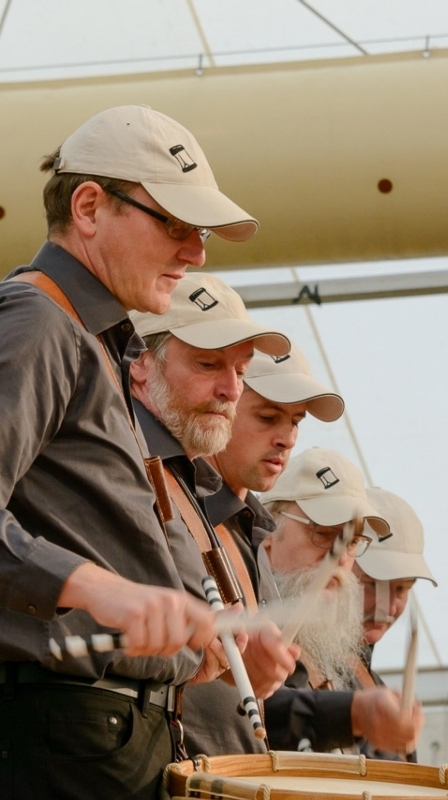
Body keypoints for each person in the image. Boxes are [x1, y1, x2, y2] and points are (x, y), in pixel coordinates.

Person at [0, 105, 256, 799]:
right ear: (88, 207)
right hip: (57, 736)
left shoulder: (90, 341)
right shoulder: (35, 320)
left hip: (88, 734)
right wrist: (100, 589)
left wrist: (180, 648)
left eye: (200, 232)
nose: (196, 254)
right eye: (175, 224)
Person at [127, 273, 299, 756]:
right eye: (208, 364)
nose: (231, 389)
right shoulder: (116, 460)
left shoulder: (186, 480)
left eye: (241, 371)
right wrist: (199, 651)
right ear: (140, 362)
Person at [183, 343, 346, 755]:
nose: (287, 439)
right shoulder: (177, 516)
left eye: (296, 422)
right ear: (225, 404)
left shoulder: (251, 533)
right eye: (268, 417)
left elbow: (264, 703)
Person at [259, 448, 424, 756]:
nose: (339, 559)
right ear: (268, 527)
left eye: (353, 541)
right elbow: (248, 717)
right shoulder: (236, 620)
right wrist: (353, 713)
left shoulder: (334, 656)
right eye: (323, 534)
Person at [353, 486, 438, 761]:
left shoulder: (378, 688)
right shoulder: (295, 671)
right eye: (372, 584)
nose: (387, 608)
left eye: (401, 589)